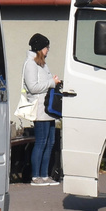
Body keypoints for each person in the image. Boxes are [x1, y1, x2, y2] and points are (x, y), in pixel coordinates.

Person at [23, 33, 61, 186]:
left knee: (50, 142)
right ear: (39, 48)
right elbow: (32, 87)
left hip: (48, 109)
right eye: (46, 47)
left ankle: (45, 175)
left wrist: (54, 82)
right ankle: (35, 176)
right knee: (41, 142)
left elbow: (46, 82)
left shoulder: (42, 64)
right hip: (39, 108)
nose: (48, 50)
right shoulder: (30, 64)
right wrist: (52, 82)